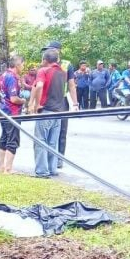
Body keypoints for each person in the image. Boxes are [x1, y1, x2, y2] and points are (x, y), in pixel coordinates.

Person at [27, 47, 66, 178]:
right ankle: (52, 168)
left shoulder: (43, 70)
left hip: (47, 110)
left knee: (40, 141)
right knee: (52, 142)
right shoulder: (62, 72)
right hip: (59, 112)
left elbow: (38, 86)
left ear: (45, 60)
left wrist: (37, 104)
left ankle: (42, 171)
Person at [42, 41, 78, 170]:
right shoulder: (45, 63)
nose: (46, 52)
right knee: (46, 131)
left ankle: (59, 158)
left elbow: (71, 84)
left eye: (49, 49)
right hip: (47, 101)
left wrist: (75, 103)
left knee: (62, 131)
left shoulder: (67, 65)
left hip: (62, 101)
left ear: (57, 51)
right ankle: (47, 159)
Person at [0, 55, 25, 174]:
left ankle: (1, 166)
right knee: (12, 140)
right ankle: (8, 169)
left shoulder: (3, 75)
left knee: (4, 139)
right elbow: (13, 99)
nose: (23, 67)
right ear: (18, 65)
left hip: (3, 111)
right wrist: (23, 100)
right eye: (23, 64)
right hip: (12, 113)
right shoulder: (12, 78)